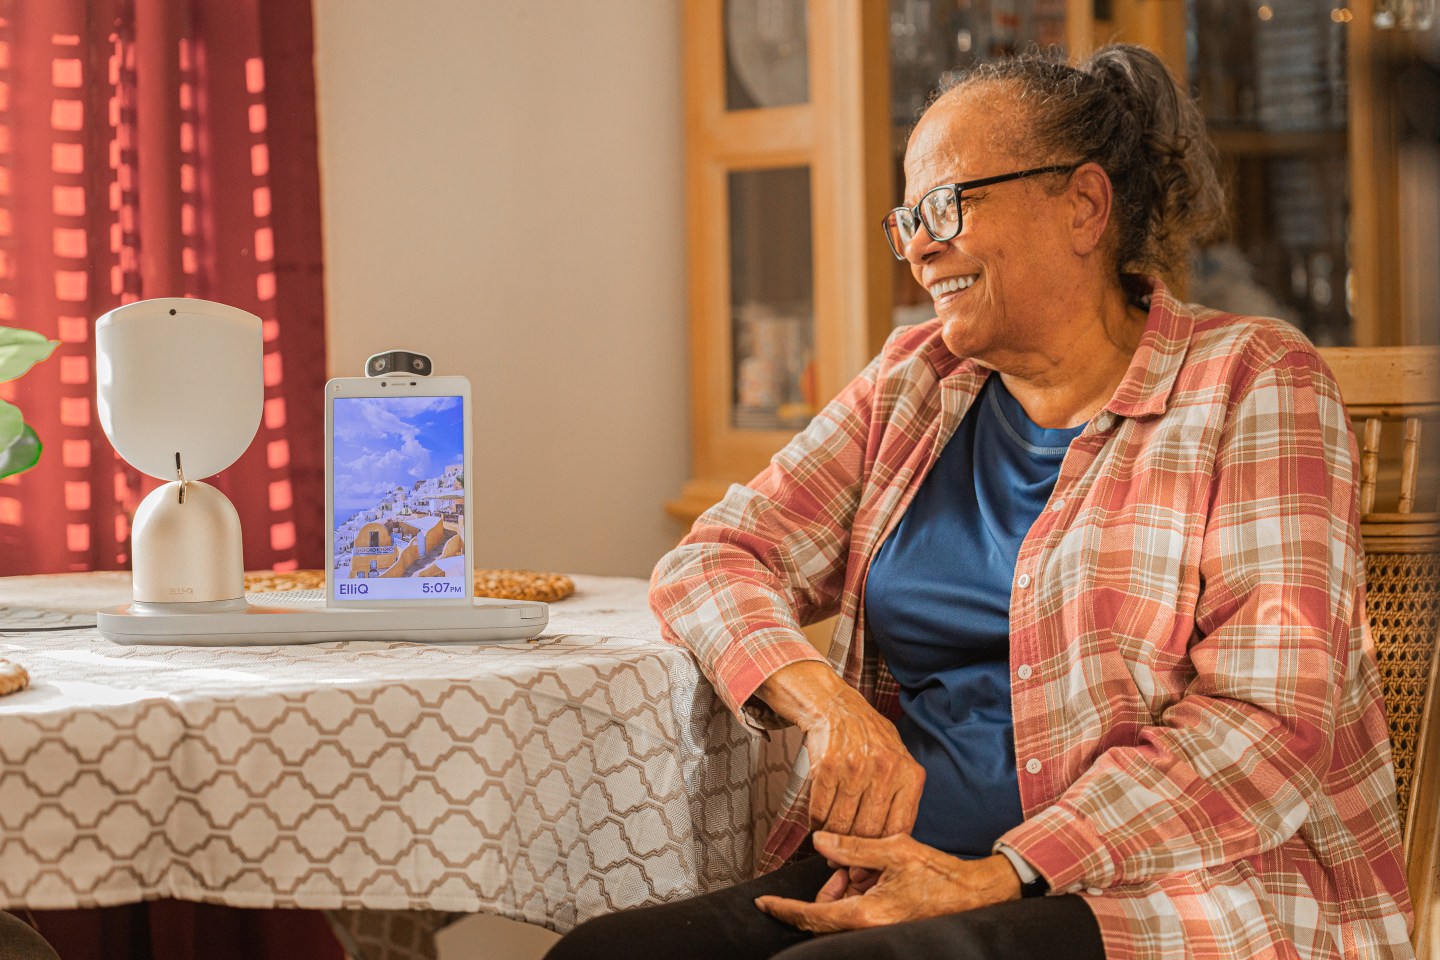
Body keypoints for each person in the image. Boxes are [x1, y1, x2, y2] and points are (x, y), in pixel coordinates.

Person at [546, 43, 1413, 960]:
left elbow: (1267, 725)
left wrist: (1002, 871)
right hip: (901, 865)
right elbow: (715, 556)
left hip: (1172, 895)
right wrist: (831, 706)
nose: (921, 246)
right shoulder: (917, 383)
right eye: (907, 218)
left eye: (948, 206)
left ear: (1083, 206)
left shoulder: (1252, 382)